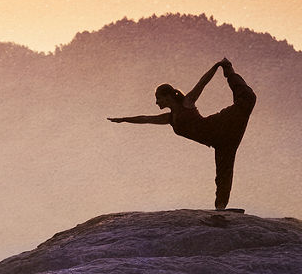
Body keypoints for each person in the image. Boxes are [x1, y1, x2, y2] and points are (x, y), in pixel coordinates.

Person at [108, 58, 257, 210]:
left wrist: (217, 66)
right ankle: (220, 208)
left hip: (221, 125)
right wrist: (124, 119)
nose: (156, 103)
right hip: (220, 141)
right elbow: (145, 119)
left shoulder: (187, 103)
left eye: (158, 99)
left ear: (167, 97)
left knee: (248, 98)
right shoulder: (170, 118)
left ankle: (229, 69)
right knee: (223, 174)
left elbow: (202, 83)